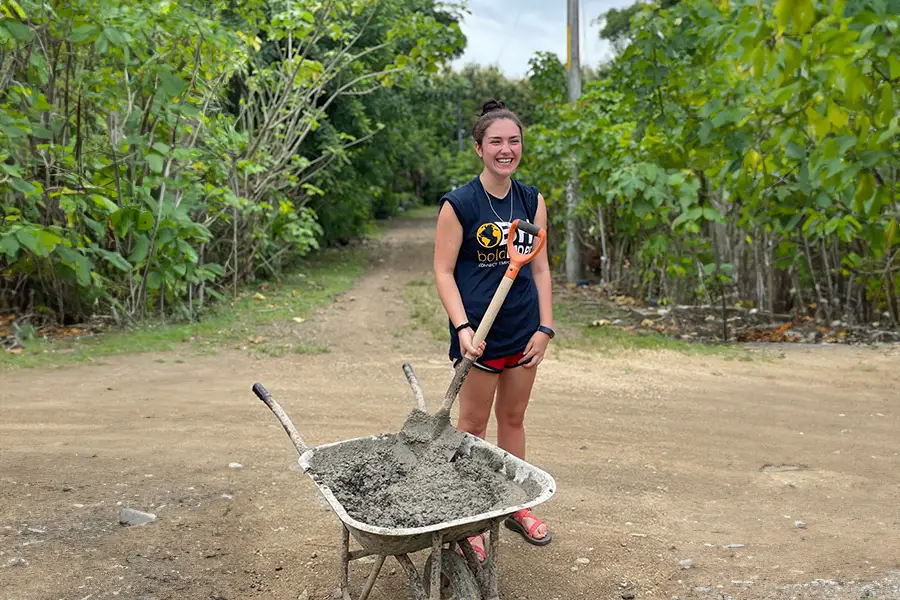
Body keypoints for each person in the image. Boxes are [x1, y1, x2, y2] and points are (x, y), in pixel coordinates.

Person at [433, 99, 554, 563]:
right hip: (478, 333)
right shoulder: (459, 203)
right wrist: (462, 327)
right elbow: (444, 271)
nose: (507, 150)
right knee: (472, 426)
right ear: (479, 148)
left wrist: (545, 327)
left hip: (523, 330)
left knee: (515, 419)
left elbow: (540, 269)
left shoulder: (531, 200)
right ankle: (470, 517)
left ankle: (516, 506)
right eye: (496, 142)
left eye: (514, 141)